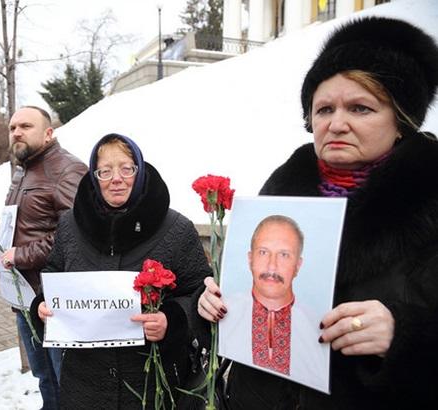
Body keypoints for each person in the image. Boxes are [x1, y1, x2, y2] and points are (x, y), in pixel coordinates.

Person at [196, 17, 438, 408]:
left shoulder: (429, 201)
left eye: (360, 108)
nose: (336, 124)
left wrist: (404, 335)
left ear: (401, 121)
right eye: (324, 109)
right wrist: (217, 303)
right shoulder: (280, 191)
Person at [33, 134, 211, 409]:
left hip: (153, 390)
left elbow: (199, 294)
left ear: (139, 170)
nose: (116, 178)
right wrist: (42, 306)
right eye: (105, 171)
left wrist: (171, 321)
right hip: (83, 388)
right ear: (95, 177)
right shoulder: (71, 226)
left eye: (126, 168)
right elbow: (54, 272)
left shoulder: (176, 229)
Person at [0, 105, 88, 410]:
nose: (16, 132)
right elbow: (20, 225)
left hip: (52, 301)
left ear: (49, 133)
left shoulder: (67, 170)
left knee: (64, 379)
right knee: (44, 377)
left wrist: (23, 255)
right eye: (13, 127)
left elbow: (76, 236)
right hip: (23, 295)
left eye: (25, 126)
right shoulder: (22, 171)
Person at [217, 215, 325, 391]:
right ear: (250, 259)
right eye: (263, 252)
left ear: (298, 265)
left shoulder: (317, 326)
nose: (272, 266)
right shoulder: (227, 309)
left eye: (284, 255)